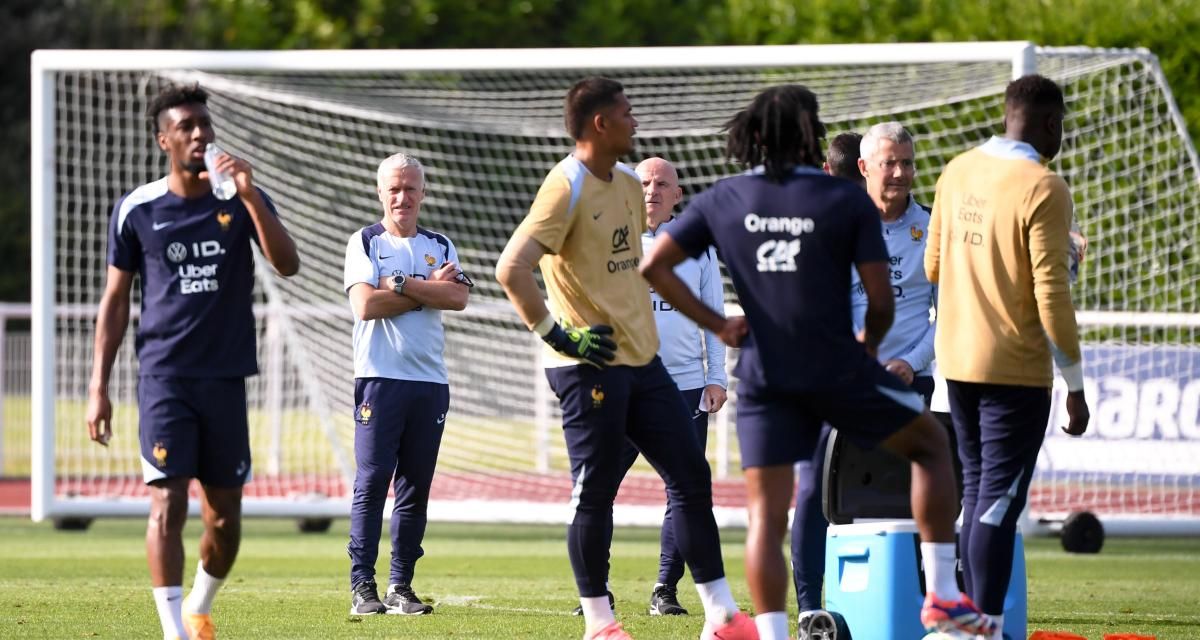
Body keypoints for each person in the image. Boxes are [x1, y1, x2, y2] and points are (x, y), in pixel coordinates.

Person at [641, 84, 991, 640]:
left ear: (753, 138)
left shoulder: (725, 197)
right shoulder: (843, 200)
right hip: (834, 366)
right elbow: (880, 302)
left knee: (769, 512)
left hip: (763, 373)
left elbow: (654, 264)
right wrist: (869, 353)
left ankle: (779, 632)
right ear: (810, 135)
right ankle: (943, 599)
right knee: (929, 447)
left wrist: (721, 325)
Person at [495, 76, 753, 640]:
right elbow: (510, 267)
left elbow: (648, 267)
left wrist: (716, 322)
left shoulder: (632, 185)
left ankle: (722, 616)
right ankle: (600, 623)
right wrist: (559, 336)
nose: (636, 122)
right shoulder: (564, 187)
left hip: (645, 363)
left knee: (690, 475)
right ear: (599, 124)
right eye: (627, 113)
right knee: (595, 490)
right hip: (589, 365)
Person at [85, 83, 300, 640]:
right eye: (187, 126)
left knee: (225, 521)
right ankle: (173, 634)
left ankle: (199, 607)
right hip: (164, 378)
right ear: (165, 139)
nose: (201, 133)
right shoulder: (138, 208)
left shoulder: (240, 196)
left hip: (226, 378)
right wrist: (97, 387)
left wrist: (252, 196)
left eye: (205, 123)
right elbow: (114, 302)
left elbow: (288, 264)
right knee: (166, 502)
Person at [925, 74, 1090, 640]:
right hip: (1013, 369)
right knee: (996, 500)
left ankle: (963, 619)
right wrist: (1075, 384)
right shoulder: (1044, 186)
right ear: (1051, 123)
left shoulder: (957, 171)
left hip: (956, 363)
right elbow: (1052, 294)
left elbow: (933, 267)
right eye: (1062, 125)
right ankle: (984, 626)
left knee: (975, 492)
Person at [342, 153, 471, 616]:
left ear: (423, 192)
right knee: (373, 482)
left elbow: (457, 296)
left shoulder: (441, 243)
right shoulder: (364, 241)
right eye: (393, 188)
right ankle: (362, 587)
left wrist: (398, 284)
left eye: (410, 188)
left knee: (416, 486)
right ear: (380, 192)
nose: (402, 197)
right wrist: (422, 287)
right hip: (379, 379)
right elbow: (365, 305)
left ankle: (401, 586)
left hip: (429, 382)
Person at [633, 156, 728, 616]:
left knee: (684, 487)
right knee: (596, 486)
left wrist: (716, 377)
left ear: (678, 193)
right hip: (622, 380)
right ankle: (593, 593)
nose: (651, 189)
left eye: (661, 183)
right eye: (644, 181)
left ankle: (664, 589)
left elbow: (714, 317)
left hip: (685, 386)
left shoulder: (699, 248)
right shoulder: (611, 240)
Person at [787, 131, 866, 639]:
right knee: (814, 488)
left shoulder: (904, 225)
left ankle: (874, 594)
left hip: (881, 378)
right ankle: (810, 603)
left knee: (876, 492)